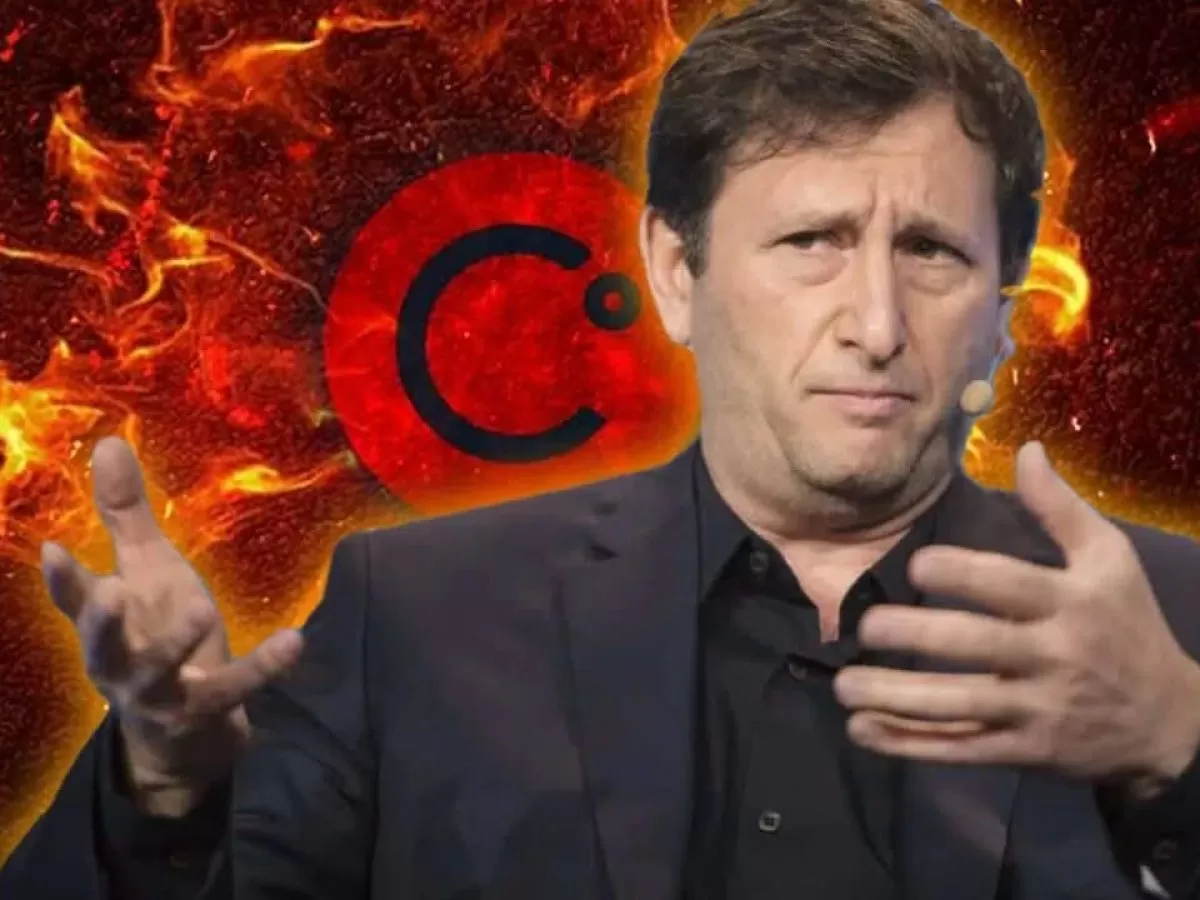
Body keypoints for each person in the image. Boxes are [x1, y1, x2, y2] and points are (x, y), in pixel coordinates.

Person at [4, 0, 1200, 897]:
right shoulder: (418, 617)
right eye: (813, 243)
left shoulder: (1172, 623)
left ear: (1003, 302)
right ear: (676, 274)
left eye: (932, 251)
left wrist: (1177, 751)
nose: (877, 325)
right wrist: (162, 786)